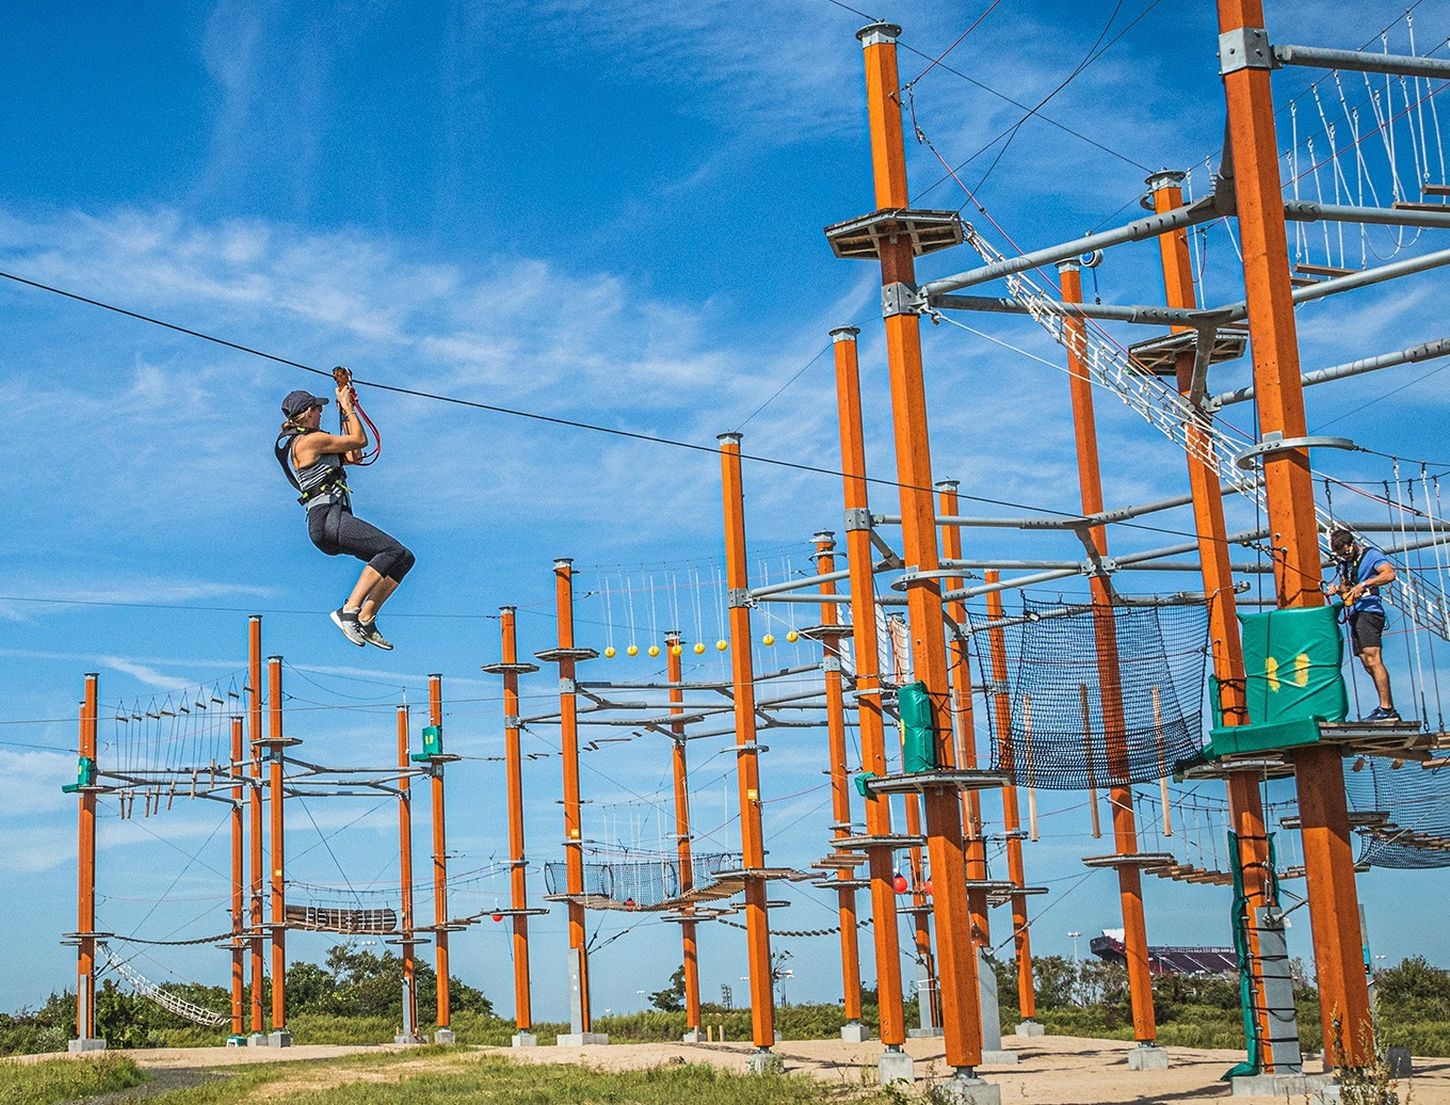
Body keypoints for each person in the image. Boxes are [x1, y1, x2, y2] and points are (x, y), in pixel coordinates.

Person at [275, 381, 414, 650]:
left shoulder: (317, 440)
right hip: (328, 519)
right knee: (390, 550)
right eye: (317, 408)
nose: (320, 412)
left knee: (404, 558)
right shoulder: (309, 441)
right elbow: (361, 440)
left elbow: (354, 454)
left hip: (333, 519)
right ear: (306, 412)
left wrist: (344, 407)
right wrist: (348, 406)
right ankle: (349, 611)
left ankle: (366, 617)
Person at [1326, 527, 1398, 722]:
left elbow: (1389, 574)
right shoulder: (1344, 564)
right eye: (1341, 555)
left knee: (1373, 658)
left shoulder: (1371, 554)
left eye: (1347, 552)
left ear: (1352, 545)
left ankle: (1387, 708)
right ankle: (1384, 707)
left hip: (1370, 611)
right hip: (1356, 613)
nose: (1345, 556)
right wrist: (1337, 591)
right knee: (1366, 661)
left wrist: (1364, 584)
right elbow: (1346, 589)